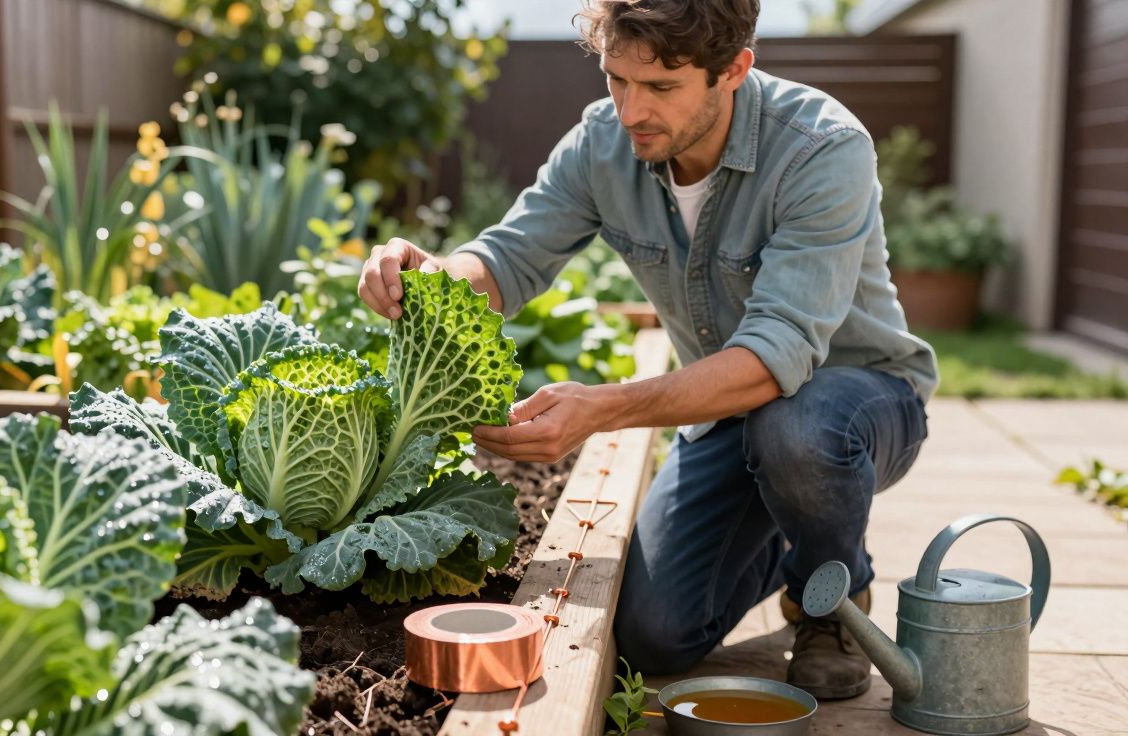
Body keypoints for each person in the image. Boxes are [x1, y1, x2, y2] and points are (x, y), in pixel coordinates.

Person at [355, 0, 936, 700]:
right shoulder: (604, 144)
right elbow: (507, 261)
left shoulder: (821, 147)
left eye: (660, 87)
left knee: (799, 430)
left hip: (859, 405)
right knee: (653, 636)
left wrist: (601, 410)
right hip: (727, 415)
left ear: (734, 70)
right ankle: (792, 538)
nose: (631, 111)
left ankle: (832, 599)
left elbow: (776, 354)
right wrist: (428, 274)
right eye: (616, 80)